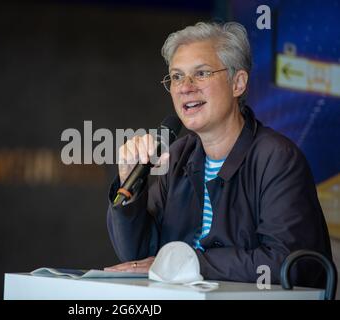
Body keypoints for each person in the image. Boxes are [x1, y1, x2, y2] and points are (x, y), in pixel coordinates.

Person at [104, 21, 332, 288]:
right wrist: (131, 184)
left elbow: (287, 263)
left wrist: (191, 264)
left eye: (201, 73)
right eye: (176, 76)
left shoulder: (277, 158)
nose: (185, 87)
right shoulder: (179, 155)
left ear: (238, 83)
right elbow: (138, 257)